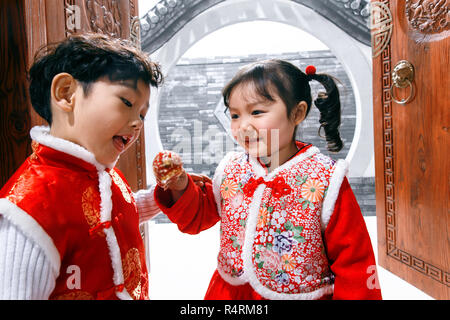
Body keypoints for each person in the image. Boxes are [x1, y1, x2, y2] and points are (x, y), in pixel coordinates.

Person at [153, 59, 382, 300]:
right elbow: (198, 216)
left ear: (297, 113)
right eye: (234, 115)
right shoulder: (231, 169)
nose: (243, 126)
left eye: (256, 112)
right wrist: (180, 186)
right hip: (232, 293)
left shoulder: (325, 178)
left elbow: (354, 260)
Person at [0, 33, 166, 300]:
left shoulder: (100, 173)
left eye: (142, 114)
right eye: (126, 102)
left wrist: (162, 197)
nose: (137, 123)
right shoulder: (28, 210)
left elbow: (112, 214)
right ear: (66, 93)